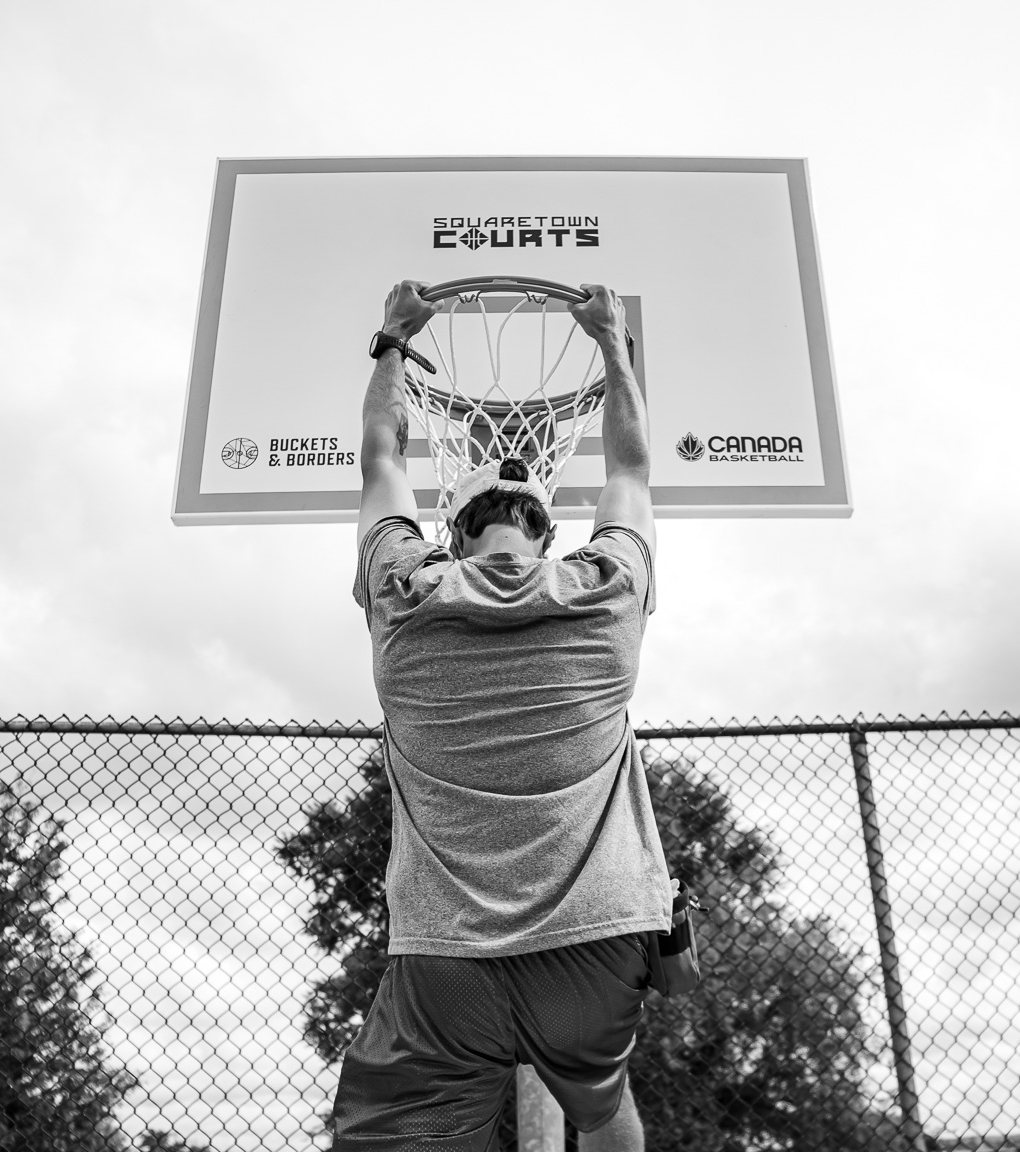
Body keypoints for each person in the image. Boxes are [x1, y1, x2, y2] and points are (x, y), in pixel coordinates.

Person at [334, 279, 670, 1151]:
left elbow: (382, 457)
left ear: (449, 531)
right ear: (547, 531)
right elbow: (630, 468)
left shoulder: (404, 595)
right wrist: (611, 345)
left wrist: (394, 341)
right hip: (600, 939)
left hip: (448, 952)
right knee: (601, 1109)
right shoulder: (606, 591)